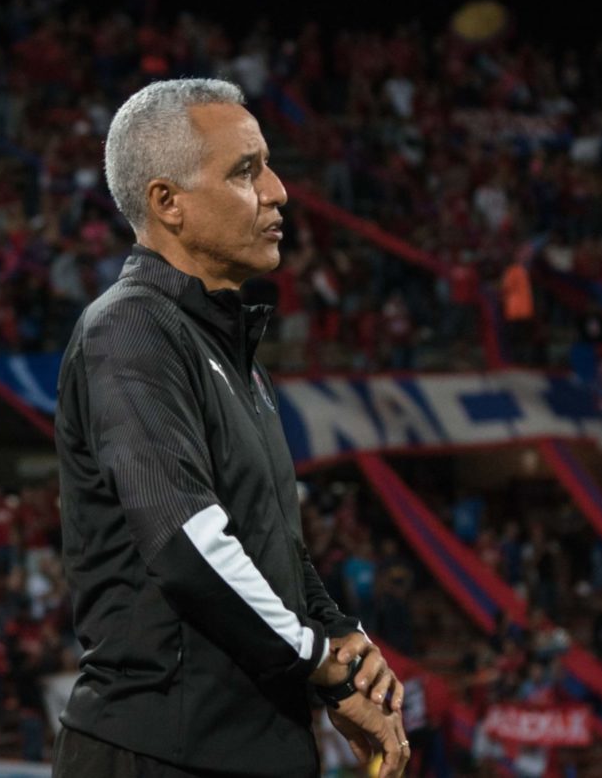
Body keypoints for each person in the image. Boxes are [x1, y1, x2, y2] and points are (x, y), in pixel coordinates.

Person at [52, 78, 409, 778]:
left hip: (249, 747)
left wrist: (342, 637)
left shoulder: (229, 353)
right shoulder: (130, 329)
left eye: (268, 166)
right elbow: (188, 544)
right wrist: (321, 664)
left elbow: (269, 540)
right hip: (162, 751)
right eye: (246, 171)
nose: (278, 192)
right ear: (168, 202)